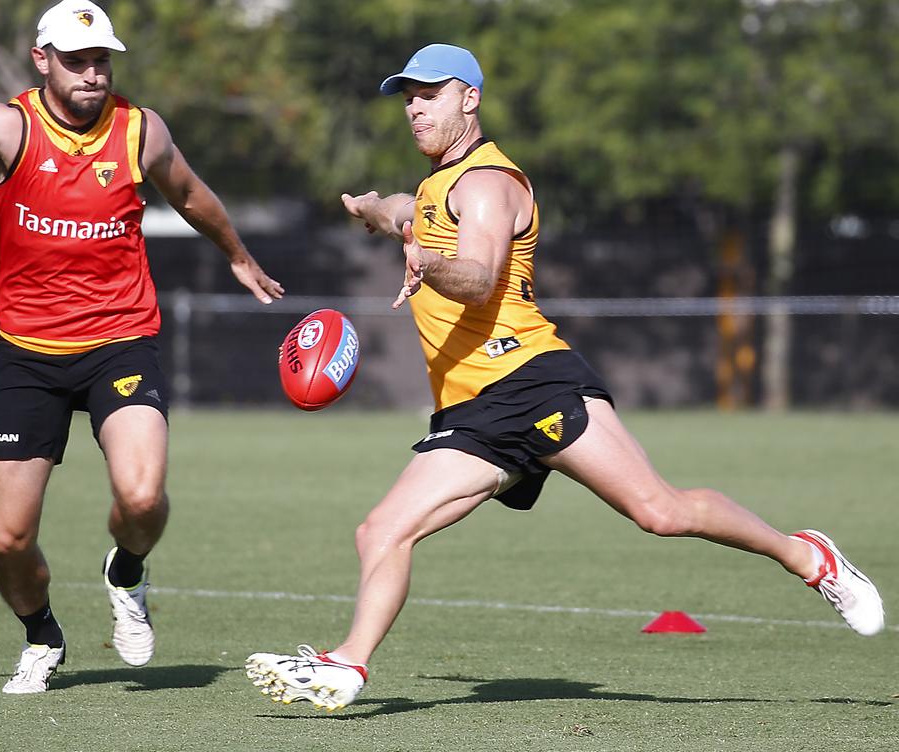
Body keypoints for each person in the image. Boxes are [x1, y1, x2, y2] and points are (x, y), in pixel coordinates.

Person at [244, 43, 884, 711]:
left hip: (532, 381)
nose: (414, 106)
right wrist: (382, 213)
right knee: (380, 531)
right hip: (471, 413)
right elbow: (417, 212)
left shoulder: (490, 183)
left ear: (470, 99)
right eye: (407, 96)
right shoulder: (440, 185)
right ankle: (349, 665)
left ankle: (809, 558)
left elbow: (479, 273)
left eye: (430, 93)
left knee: (660, 513)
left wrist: (426, 262)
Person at [0, 0, 283, 694]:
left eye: (102, 60)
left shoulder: (138, 131)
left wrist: (236, 254)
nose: (93, 74)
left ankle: (125, 570)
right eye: (77, 60)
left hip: (120, 344)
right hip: (26, 358)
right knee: (8, 541)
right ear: (43, 61)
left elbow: (189, 194)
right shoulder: (9, 128)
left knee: (144, 495)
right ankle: (42, 634)